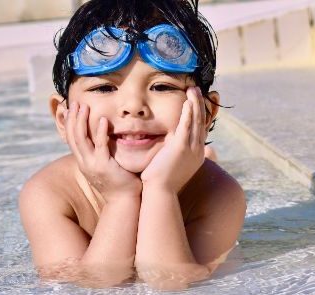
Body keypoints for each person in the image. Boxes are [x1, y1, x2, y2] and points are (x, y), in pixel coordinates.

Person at [19, 0, 246, 290]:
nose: (133, 107)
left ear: (206, 113)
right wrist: (121, 198)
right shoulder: (49, 194)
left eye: (162, 86)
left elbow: (171, 283)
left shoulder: (218, 193)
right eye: (104, 87)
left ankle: (205, 155)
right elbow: (88, 287)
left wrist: (161, 189)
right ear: (62, 118)